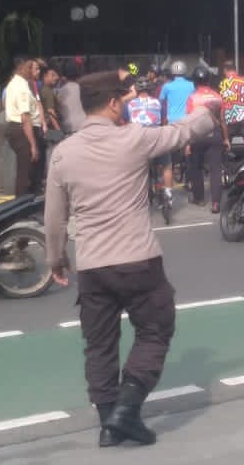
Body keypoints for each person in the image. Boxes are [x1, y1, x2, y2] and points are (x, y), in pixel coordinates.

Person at [44, 71, 220, 448]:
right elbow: (182, 131)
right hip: (138, 259)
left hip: (92, 266)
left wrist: (55, 258)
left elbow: (54, 216)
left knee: (99, 344)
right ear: (112, 103)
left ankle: (109, 424)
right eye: (122, 99)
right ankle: (126, 409)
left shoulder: (63, 153)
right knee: (155, 329)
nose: (125, 104)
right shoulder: (134, 138)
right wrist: (208, 111)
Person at [185, 67, 228, 212]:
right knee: (216, 169)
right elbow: (222, 120)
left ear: (195, 81)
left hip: (198, 135)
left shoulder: (192, 98)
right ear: (209, 80)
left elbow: (189, 122)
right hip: (215, 134)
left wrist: (188, 143)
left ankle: (199, 198)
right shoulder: (217, 96)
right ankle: (216, 203)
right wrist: (226, 138)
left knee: (196, 167)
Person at [126, 77, 174, 205]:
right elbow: (164, 120)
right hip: (156, 137)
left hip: (138, 139)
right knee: (167, 165)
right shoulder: (158, 103)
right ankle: (168, 195)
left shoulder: (129, 104)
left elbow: (125, 123)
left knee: (138, 168)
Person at [4, 57, 42, 196]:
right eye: (28, 67)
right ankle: (22, 202)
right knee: (26, 173)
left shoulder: (15, 84)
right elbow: (25, 117)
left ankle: (25, 200)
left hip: (18, 128)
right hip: (22, 130)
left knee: (27, 171)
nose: (31, 70)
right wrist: (33, 145)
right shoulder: (21, 87)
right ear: (21, 68)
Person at [218, 61, 244, 138]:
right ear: (235, 70)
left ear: (225, 70)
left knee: (227, 142)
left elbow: (221, 103)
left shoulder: (222, 84)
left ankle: (227, 142)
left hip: (229, 120)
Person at [55, 67, 88, 135]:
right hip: (84, 122)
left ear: (63, 78)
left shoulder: (58, 92)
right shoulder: (81, 88)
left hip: (69, 127)